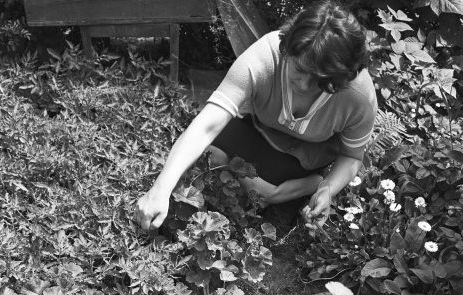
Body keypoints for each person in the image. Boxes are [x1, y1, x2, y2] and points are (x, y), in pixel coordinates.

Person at [135, 0, 377, 232]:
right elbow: (205, 126)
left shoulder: (357, 95)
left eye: (320, 80)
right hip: (258, 126)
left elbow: (352, 157)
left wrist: (328, 188)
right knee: (207, 157)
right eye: (300, 69)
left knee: (257, 192)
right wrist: (160, 189)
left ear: (340, 77)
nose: (304, 84)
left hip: (306, 152)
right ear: (287, 50)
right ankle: (263, 181)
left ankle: (311, 183)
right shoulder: (264, 57)